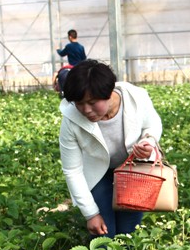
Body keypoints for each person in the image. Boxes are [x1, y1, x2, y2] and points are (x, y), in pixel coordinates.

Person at [58, 59, 163, 239]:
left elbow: (152, 123)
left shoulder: (136, 98)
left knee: (128, 232)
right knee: (103, 234)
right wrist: (91, 214)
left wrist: (149, 140)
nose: (86, 110)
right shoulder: (71, 119)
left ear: (108, 93)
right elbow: (72, 170)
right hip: (97, 174)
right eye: (79, 103)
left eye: (92, 102)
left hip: (131, 170)